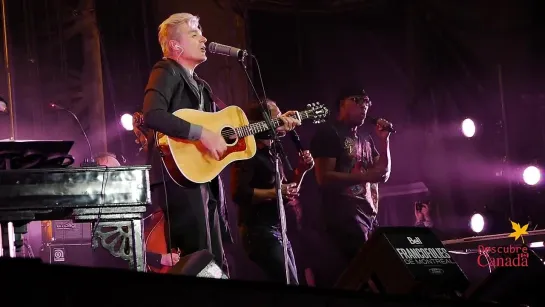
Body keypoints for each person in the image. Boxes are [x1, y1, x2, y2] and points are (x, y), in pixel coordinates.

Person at [141, 13, 233, 273]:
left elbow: (227, 128)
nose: (204, 38)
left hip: (202, 175)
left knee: (214, 257)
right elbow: (153, 114)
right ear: (174, 46)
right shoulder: (166, 69)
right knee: (197, 256)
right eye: (194, 34)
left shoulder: (202, 87)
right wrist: (200, 132)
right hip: (177, 175)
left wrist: (271, 126)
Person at [309, 88, 392, 285]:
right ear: (341, 103)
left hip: (368, 218)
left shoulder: (365, 138)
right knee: (361, 277)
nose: (363, 105)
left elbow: (383, 173)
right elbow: (324, 178)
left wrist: (384, 142)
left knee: (380, 275)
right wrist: (364, 177)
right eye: (356, 100)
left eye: (366, 101)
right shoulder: (329, 133)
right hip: (343, 220)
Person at [231, 99, 308, 284]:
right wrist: (276, 192)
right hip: (258, 231)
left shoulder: (273, 152)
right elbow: (239, 193)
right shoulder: (248, 152)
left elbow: (285, 194)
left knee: (293, 283)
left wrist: (302, 171)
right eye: (277, 117)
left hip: (279, 229)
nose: (281, 120)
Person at [93, 152, 180, 270]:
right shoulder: (99, 208)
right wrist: (159, 258)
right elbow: (116, 249)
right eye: (114, 171)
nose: (120, 175)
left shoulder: (126, 199)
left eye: (119, 170)